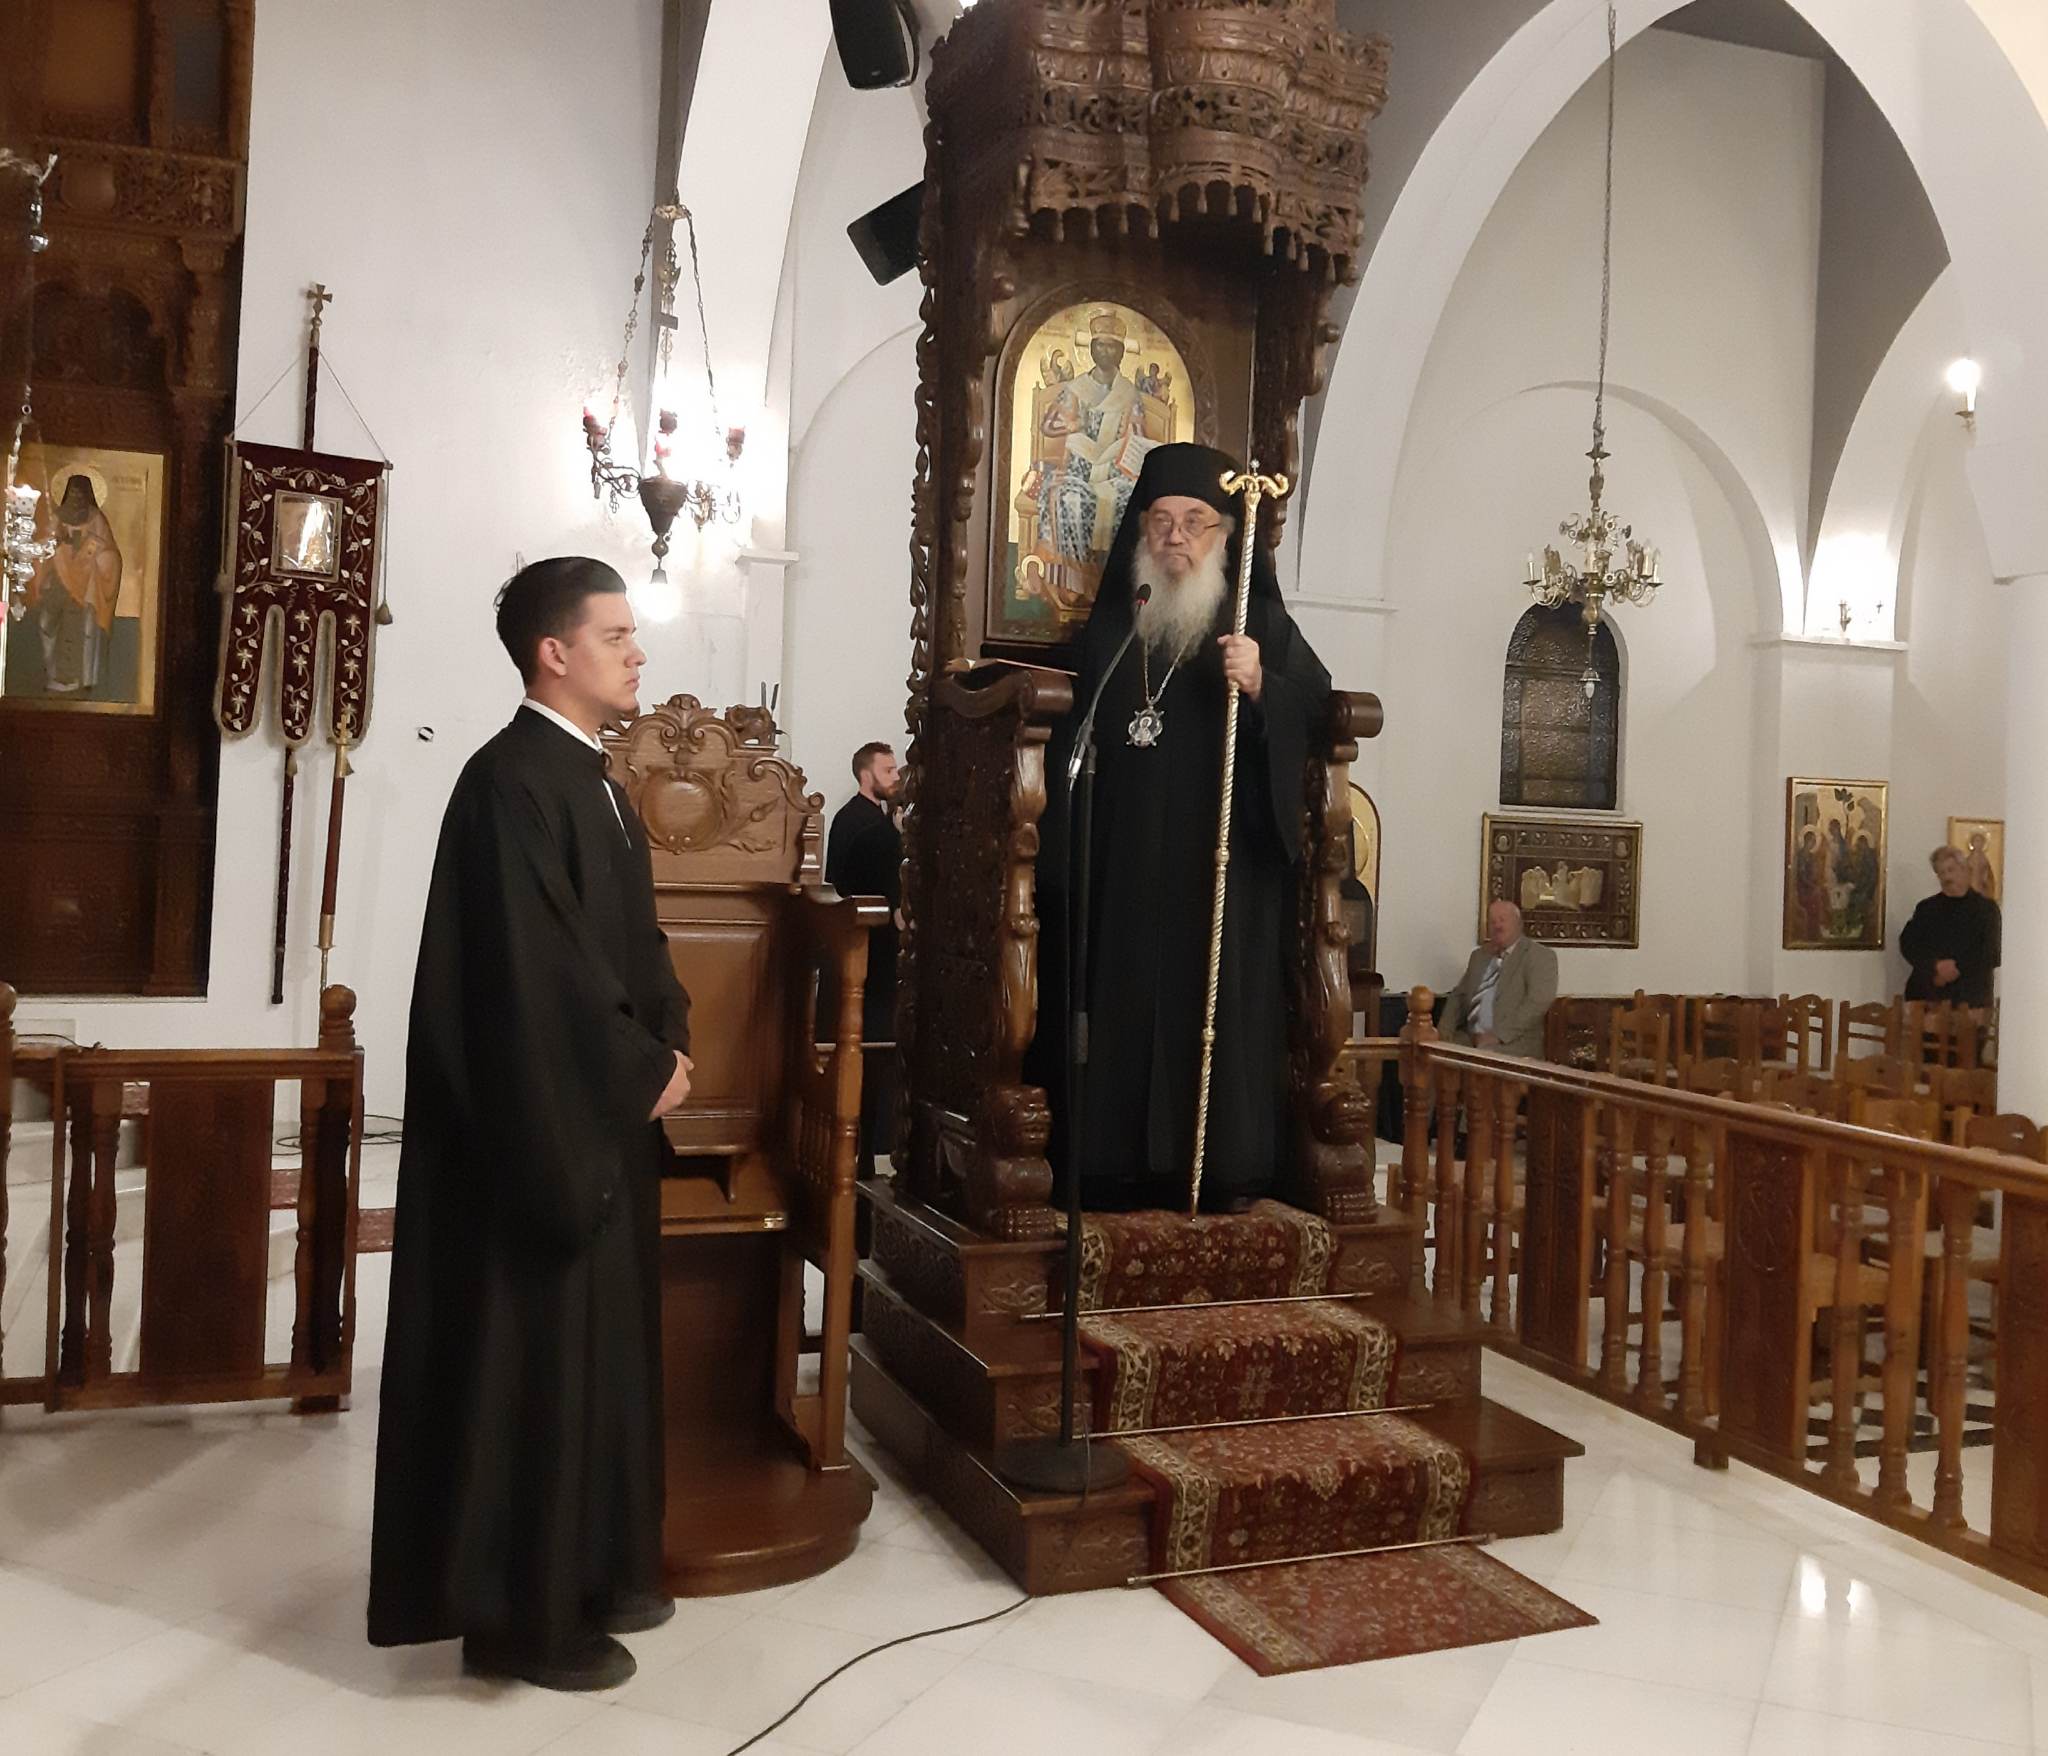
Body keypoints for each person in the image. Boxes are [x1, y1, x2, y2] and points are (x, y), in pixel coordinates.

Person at [368, 557, 694, 1692]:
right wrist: (635, 1067)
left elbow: (637, 945)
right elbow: (529, 973)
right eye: (616, 635)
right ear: (553, 653)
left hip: (598, 1123)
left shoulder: (595, 781)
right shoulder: (506, 782)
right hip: (535, 1144)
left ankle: (597, 1572)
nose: (638, 653)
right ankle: (519, 1617)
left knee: (596, 1365)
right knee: (534, 1372)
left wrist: (668, 1041)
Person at [1035, 441, 1332, 1212]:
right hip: (1127, 868)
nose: (1175, 536)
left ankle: (1221, 1163)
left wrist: (1261, 685)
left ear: (1224, 535)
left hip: (1218, 873)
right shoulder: (1113, 631)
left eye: (1195, 521)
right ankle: (1109, 1161)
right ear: (1141, 532)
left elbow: (1318, 707)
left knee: (1212, 1006)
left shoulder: (1256, 624)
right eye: (1161, 520)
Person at [824, 741, 903, 1175]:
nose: (896, 777)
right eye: (888, 770)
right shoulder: (875, 831)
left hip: (851, 953)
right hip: (873, 959)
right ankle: (869, 1151)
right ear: (865, 774)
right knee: (872, 1053)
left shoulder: (847, 819)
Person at [1439, 900, 1558, 1060]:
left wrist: (1498, 1035)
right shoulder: (1479, 956)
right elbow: (1459, 996)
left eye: (1502, 920)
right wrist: (1442, 1032)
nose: (1497, 926)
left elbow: (1538, 1002)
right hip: (1469, 1041)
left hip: (1512, 1046)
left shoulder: (1540, 956)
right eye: (1492, 922)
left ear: (1518, 923)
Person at [1901, 844, 2001, 1007]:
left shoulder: (1986, 909)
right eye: (1941, 873)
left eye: (1951, 870)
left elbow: (1991, 952)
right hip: (1927, 994)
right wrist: (1935, 966)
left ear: (1965, 870)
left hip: (1970, 998)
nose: (1947, 877)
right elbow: (1908, 944)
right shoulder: (1926, 908)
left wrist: (1956, 968)